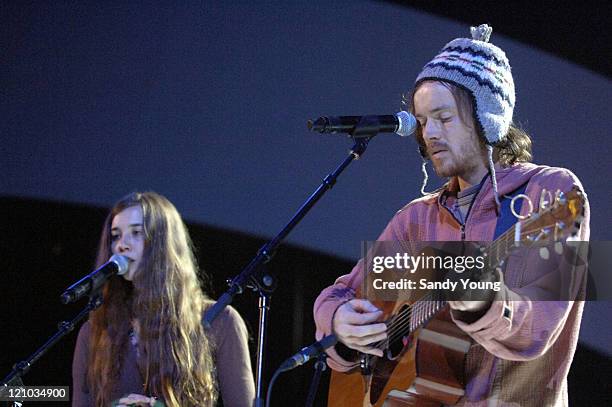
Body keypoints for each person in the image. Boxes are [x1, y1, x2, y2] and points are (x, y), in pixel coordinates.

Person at [314, 24, 590, 406]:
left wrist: (483, 301)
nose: (430, 134)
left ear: (488, 117)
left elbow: (536, 332)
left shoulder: (551, 195)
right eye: (424, 121)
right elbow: (346, 292)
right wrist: (338, 319)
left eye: (444, 118)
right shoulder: (416, 220)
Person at [72, 192, 255, 407]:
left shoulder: (220, 320)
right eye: (116, 235)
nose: (122, 244)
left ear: (163, 243)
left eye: (136, 232)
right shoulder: (94, 331)